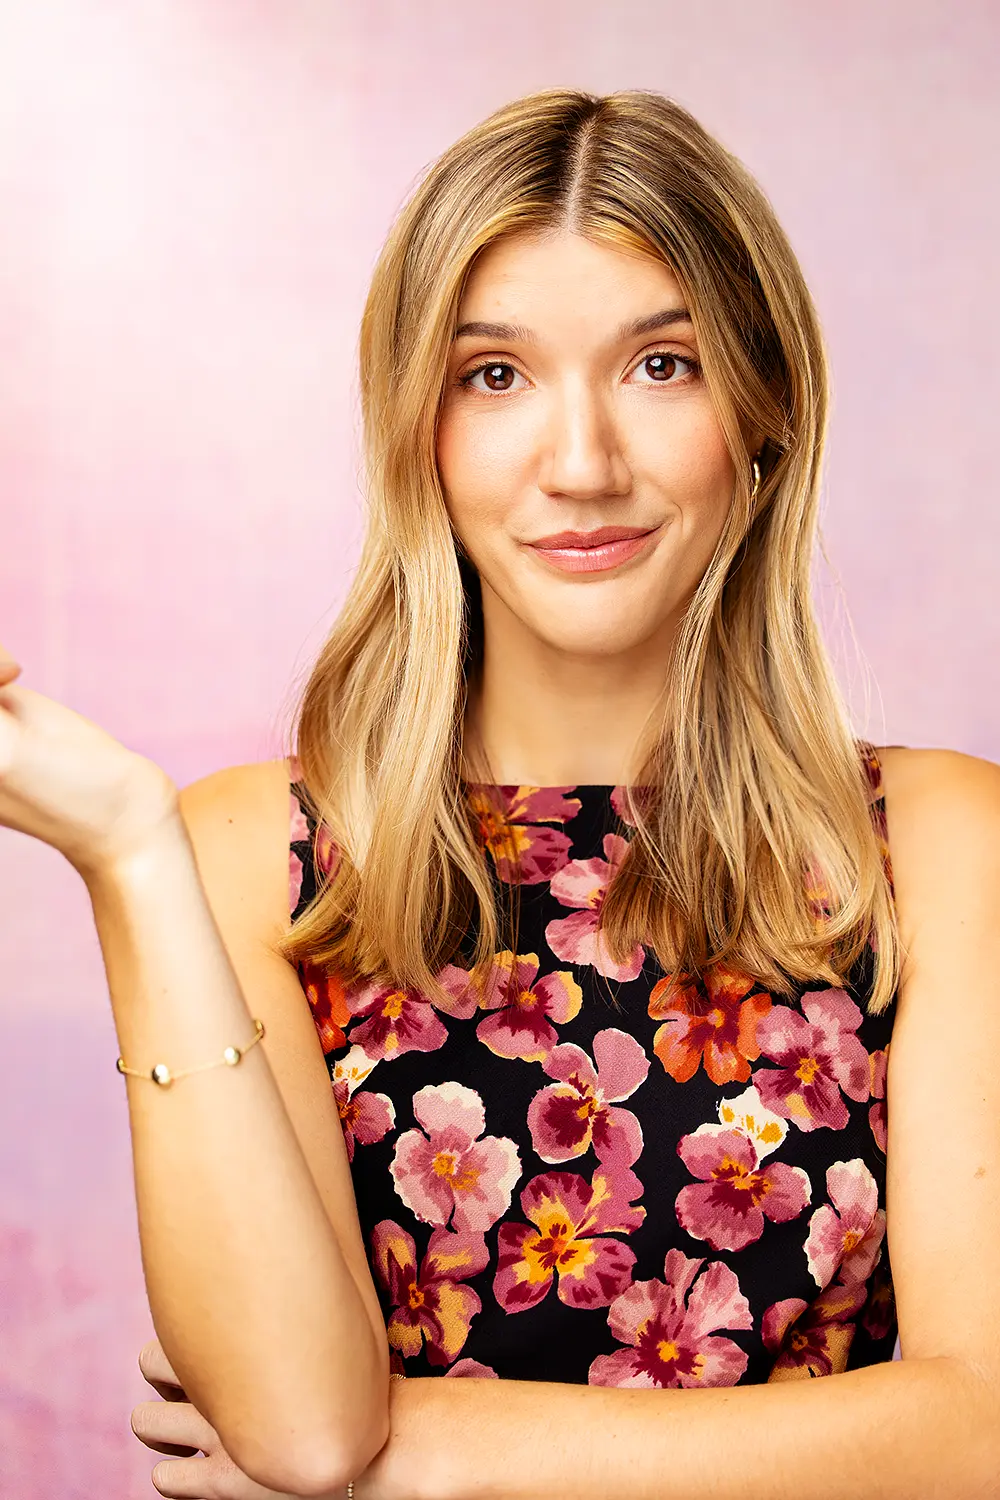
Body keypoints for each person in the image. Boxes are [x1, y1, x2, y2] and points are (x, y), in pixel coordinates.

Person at [1, 85, 998, 1500]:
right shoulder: (242, 856)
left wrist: (420, 1453)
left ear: (764, 414)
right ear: (417, 428)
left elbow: (984, 1430)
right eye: (494, 376)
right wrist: (125, 852)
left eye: (662, 366)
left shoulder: (943, 849)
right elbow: (302, 1431)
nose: (582, 465)